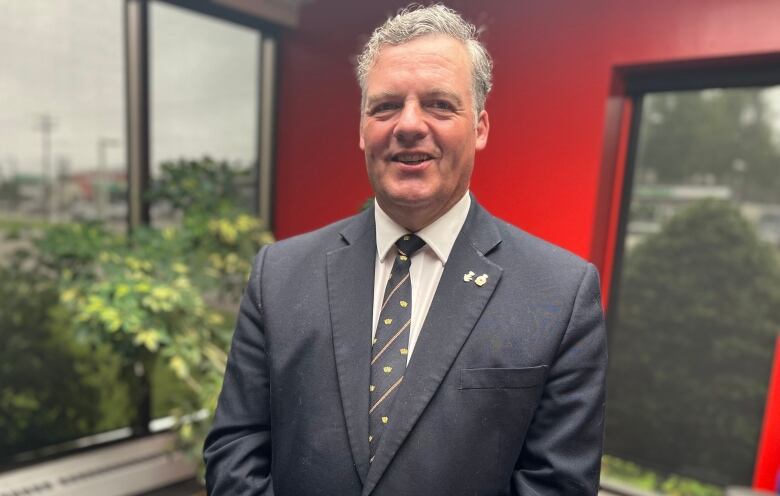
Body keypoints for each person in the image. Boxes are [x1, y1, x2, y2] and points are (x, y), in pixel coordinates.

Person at [203, 5, 607, 495]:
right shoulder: (279, 274)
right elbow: (236, 449)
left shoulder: (560, 294)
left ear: (479, 127)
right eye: (386, 106)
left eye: (439, 104)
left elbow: (557, 484)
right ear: (361, 128)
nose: (409, 125)